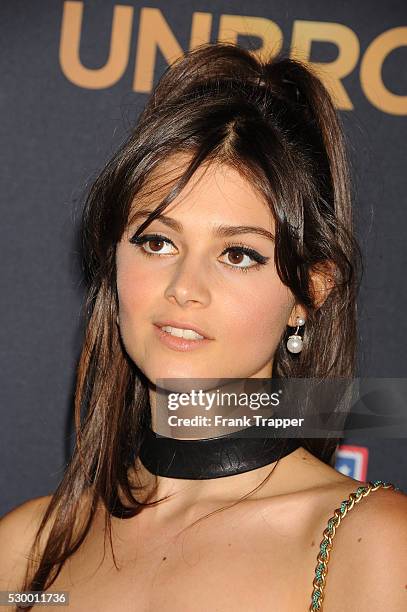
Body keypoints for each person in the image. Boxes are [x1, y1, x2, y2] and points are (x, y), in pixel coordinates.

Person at [0, 42, 406, 612]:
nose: (184, 286)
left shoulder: (367, 545)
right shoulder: (27, 551)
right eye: (158, 241)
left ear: (309, 292)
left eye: (238, 254)